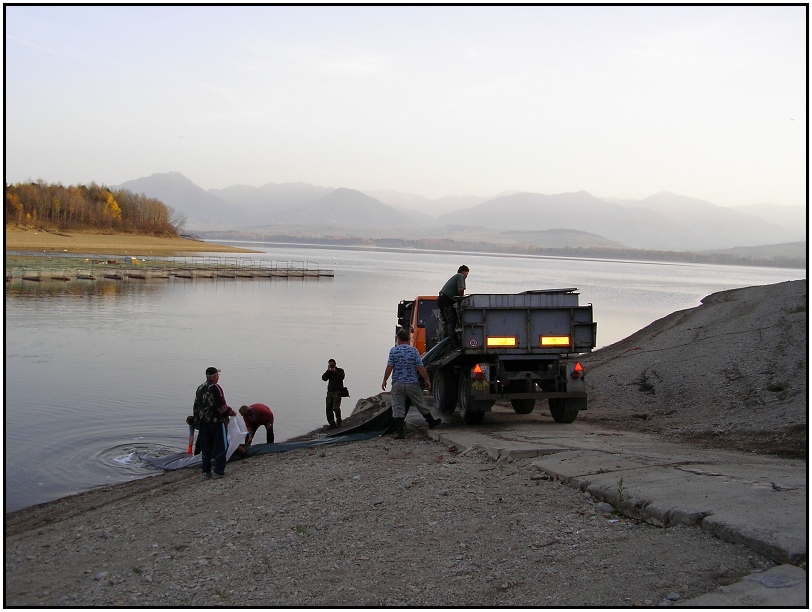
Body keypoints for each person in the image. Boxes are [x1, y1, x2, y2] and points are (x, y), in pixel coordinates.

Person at [381, 328, 442, 439]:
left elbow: (389, 367)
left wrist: (384, 380)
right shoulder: (413, 351)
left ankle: (400, 431)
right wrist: (427, 379)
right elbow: (420, 367)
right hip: (412, 383)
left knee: (398, 406)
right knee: (420, 403)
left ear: (398, 339)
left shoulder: (394, 351)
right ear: (408, 339)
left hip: (398, 383)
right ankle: (431, 422)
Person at [192, 366, 236, 479]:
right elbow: (222, 406)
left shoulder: (199, 388)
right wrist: (231, 412)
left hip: (203, 423)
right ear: (215, 376)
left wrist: (197, 420)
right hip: (216, 422)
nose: (218, 378)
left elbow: (196, 406)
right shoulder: (216, 388)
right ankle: (218, 471)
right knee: (221, 446)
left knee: (206, 447)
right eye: (218, 376)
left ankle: (206, 472)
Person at [438, 265, 469, 347]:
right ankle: (450, 341)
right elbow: (460, 289)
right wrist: (462, 298)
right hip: (446, 300)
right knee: (452, 320)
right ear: (463, 272)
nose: (466, 276)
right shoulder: (460, 276)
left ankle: (446, 340)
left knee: (448, 321)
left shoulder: (455, 277)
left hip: (442, 300)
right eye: (467, 273)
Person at [322, 359, 345, 428]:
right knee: (328, 409)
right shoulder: (329, 372)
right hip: (330, 392)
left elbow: (342, 378)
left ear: (335, 364)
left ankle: (339, 422)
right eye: (330, 364)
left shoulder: (340, 370)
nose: (331, 365)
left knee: (336, 408)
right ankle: (332, 424)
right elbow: (324, 378)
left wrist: (335, 371)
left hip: (337, 391)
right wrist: (328, 371)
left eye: (332, 364)